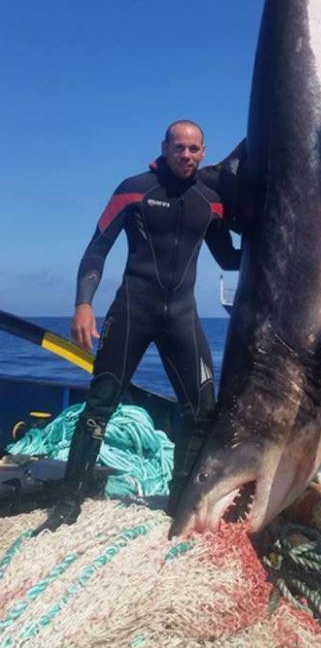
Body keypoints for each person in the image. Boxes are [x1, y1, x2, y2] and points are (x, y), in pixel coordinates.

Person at [36, 120, 241, 533]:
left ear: (204, 152)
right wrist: (83, 305)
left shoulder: (212, 201)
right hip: (132, 311)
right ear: (164, 148)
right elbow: (97, 249)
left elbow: (230, 259)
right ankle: (69, 500)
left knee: (202, 411)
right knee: (100, 405)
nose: (186, 155)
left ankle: (179, 499)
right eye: (179, 147)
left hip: (181, 316)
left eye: (194, 149)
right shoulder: (135, 188)